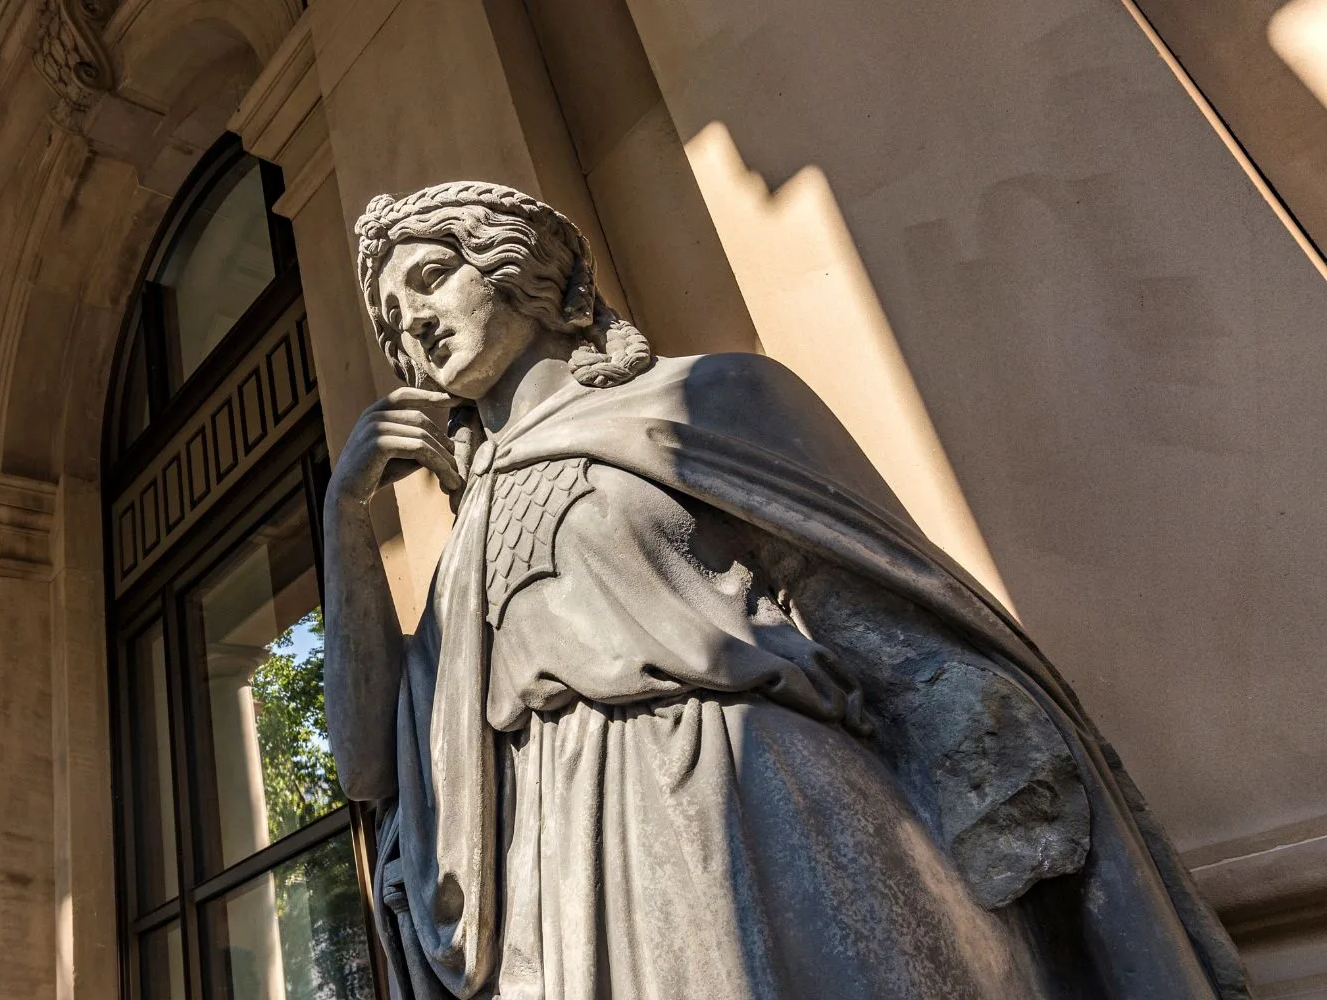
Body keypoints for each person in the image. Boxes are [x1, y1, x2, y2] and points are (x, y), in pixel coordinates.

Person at [322, 181, 1247, 1000]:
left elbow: (883, 621)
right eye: (392, 320)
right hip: (559, 867)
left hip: (749, 800)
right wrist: (346, 521)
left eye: (433, 277)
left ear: (520, 268)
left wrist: (990, 754)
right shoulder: (463, 550)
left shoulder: (703, 400)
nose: (415, 323)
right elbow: (371, 769)